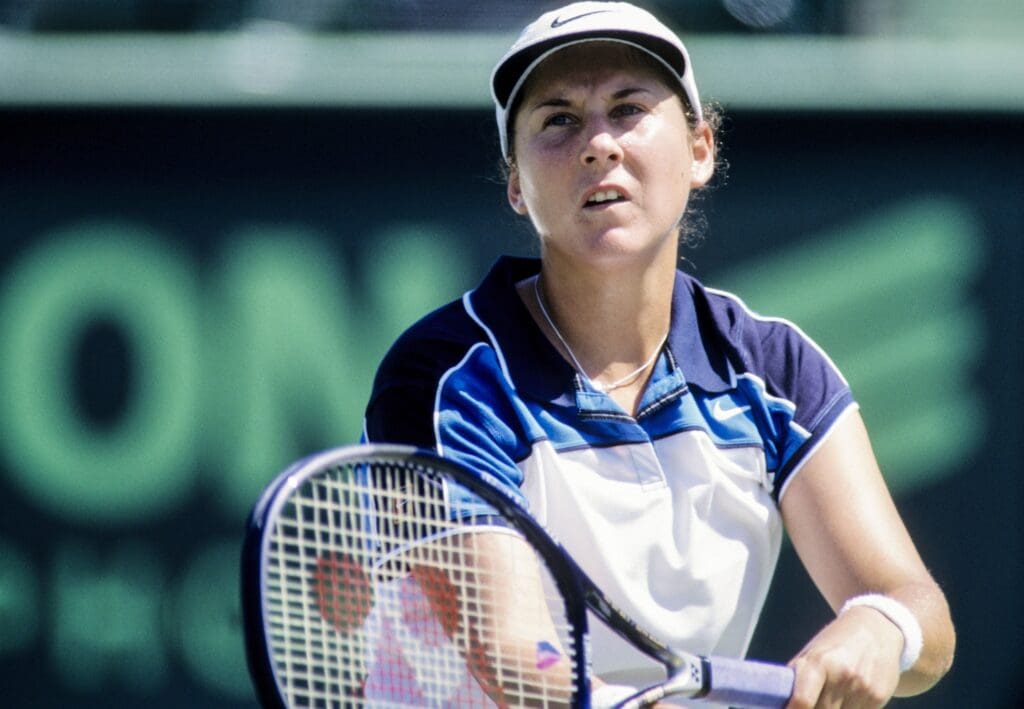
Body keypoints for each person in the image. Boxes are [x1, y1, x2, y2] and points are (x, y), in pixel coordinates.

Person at [363, 2, 955, 706]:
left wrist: (880, 627)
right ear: (516, 183)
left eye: (628, 108)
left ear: (701, 148)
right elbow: (519, 662)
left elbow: (921, 615)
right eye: (558, 119)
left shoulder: (778, 372)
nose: (598, 144)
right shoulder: (444, 377)